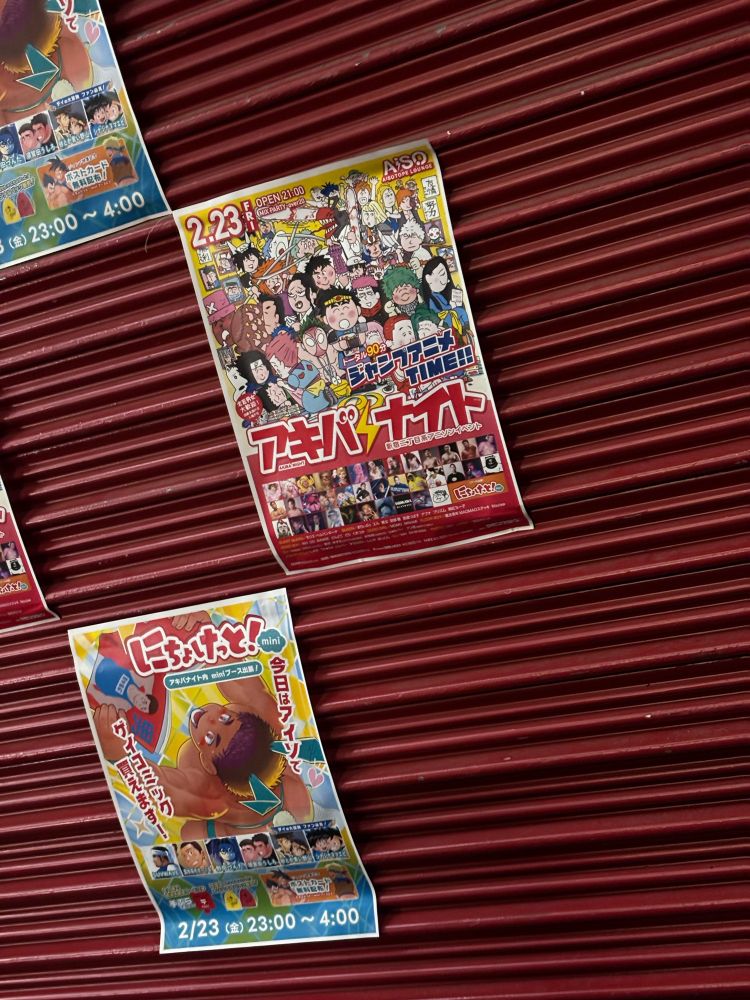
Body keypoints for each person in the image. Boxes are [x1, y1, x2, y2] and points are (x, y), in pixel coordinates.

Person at [93, 616, 313, 839]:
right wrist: (209, 632)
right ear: (248, 714)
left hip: (252, 826)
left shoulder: (212, 794)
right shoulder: (265, 718)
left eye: (211, 738)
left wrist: (119, 754)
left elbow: (164, 791)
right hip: (287, 803)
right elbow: (236, 674)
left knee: (190, 833)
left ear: (208, 764)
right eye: (226, 719)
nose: (210, 719)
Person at [90, 657, 157, 714]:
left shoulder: (125, 705)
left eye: (143, 708)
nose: (141, 704)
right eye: (145, 702)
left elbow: (102, 699)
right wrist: (148, 691)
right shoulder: (137, 680)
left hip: (91, 674)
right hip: (100, 658)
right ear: (146, 695)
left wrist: (90, 689)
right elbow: (150, 675)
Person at [421, 257, 469, 329]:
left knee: (461, 311)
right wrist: (453, 307)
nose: (442, 279)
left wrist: (457, 304)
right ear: (428, 278)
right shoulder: (432, 299)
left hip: (453, 318)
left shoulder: (444, 293)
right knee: (460, 311)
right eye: (442, 274)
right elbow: (438, 314)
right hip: (445, 322)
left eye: (443, 274)